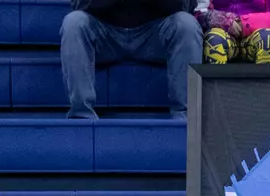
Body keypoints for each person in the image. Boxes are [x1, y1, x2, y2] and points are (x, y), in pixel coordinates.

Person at [61, 0, 203, 121]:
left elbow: (186, 6)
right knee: (74, 22)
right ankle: (82, 116)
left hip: (155, 34)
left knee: (187, 24)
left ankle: (186, 117)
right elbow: (78, 4)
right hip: (104, 33)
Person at [196, 0, 270, 64]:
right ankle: (217, 89)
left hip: (254, 33)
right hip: (224, 33)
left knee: (268, 39)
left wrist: (244, 23)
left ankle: (267, 89)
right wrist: (223, 20)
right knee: (214, 39)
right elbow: (199, 12)